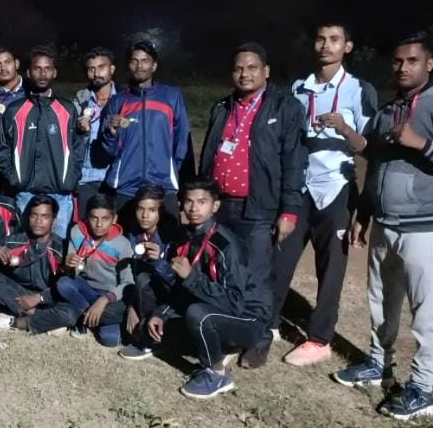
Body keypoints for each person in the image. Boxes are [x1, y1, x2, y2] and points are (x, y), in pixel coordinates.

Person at [333, 34, 433, 421]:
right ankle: (378, 363)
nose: (402, 67)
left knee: (424, 309)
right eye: (397, 61)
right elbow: (377, 162)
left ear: (429, 64)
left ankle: (423, 389)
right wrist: (364, 210)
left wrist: (423, 144)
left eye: (412, 61)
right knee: (381, 300)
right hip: (385, 223)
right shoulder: (389, 110)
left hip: (426, 226)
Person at [271, 21, 376, 366]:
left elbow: (369, 147)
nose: (326, 45)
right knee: (280, 258)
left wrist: (344, 128)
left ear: (347, 46)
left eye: (334, 39)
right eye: (320, 39)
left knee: (330, 269)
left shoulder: (358, 89)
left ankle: (319, 339)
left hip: (337, 188)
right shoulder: (299, 87)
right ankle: (267, 323)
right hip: (300, 187)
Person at [196, 42, 306, 368]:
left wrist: (289, 210)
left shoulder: (284, 108)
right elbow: (209, 154)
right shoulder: (223, 107)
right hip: (222, 206)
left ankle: (260, 339)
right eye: (238, 68)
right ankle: (231, 332)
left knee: (257, 276)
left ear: (266, 71)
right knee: (225, 271)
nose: (244, 74)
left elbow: (294, 161)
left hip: (259, 207)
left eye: (252, 67)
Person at [145, 179, 269, 399]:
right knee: (160, 331)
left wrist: (192, 277)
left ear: (215, 205)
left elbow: (235, 302)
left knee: (198, 315)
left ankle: (218, 374)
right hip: (216, 309)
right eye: (189, 201)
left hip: (248, 318)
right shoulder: (187, 237)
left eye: (202, 202)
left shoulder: (225, 245)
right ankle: (223, 347)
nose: (194, 208)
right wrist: (161, 313)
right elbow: (184, 288)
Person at [96, 41, 190, 238]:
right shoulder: (117, 101)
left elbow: (181, 142)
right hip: (127, 187)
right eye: (134, 61)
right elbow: (107, 152)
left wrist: (173, 172)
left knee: (169, 244)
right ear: (129, 65)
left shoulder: (171, 96)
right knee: (126, 246)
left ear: (154, 65)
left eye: (145, 61)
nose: (140, 66)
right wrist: (110, 133)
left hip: (163, 186)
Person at [0, 46, 87, 238]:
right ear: (29, 72)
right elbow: (3, 148)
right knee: (25, 246)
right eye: (37, 68)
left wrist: (71, 178)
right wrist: (14, 179)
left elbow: (78, 148)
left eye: (47, 68)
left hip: (60, 194)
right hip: (26, 194)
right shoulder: (14, 110)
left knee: (58, 248)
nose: (43, 73)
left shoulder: (67, 109)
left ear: (54, 72)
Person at [0, 194, 78, 335]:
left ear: (53, 221)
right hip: (19, 294)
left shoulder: (63, 248)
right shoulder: (18, 240)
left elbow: (68, 285)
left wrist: (40, 298)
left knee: (70, 313)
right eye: (34, 215)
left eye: (44, 216)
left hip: (48, 298)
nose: (38, 221)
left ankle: (16, 321)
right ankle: (42, 318)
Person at [58, 194, 134, 347]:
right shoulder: (77, 232)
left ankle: (85, 317)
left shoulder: (122, 244)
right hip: (86, 289)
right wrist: (68, 265)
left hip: (109, 296)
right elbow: (72, 273)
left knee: (110, 339)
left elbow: (128, 283)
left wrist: (104, 300)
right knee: (64, 284)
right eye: (94, 218)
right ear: (87, 217)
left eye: (105, 219)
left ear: (114, 219)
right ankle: (88, 317)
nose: (99, 224)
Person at [118, 184, 172, 360]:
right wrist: (131, 307)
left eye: (152, 210)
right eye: (140, 209)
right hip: (136, 297)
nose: (145, 215)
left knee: (144, 278)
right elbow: (127, 275)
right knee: (111, 335)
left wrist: (160, 262)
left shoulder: (171, 240)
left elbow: (176, 283)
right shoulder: (131, 236)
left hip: (164, 301)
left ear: (161, 211)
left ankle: (149, 341)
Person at [73, 47, 119, 221]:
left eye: (101, 67)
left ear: (112, 69)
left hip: (117, 177)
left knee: (115, 228)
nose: (96, 73)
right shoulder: (79, 102)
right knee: (86, 227)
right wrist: (78, 130)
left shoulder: (125, 100)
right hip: (87, 178)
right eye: (91, 69)